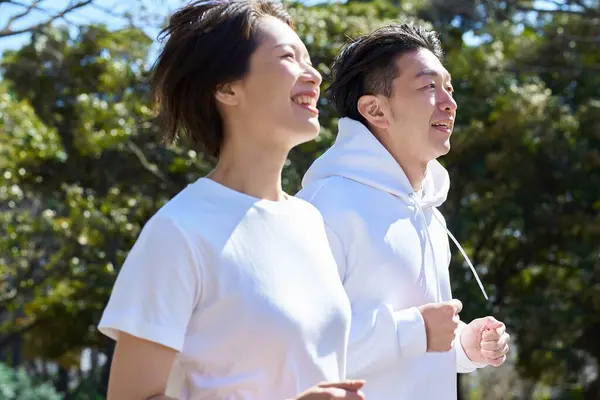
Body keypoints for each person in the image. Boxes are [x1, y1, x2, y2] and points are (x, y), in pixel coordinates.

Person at [97, 1, 366, 399]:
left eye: (309, 60)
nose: (313, 76)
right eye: (288, 58)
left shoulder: (310, 222)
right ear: (226, 88)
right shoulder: (177, 232)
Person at [296, 24, 510, 400]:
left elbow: (418, 345)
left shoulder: (430, 213)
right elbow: (300, 344)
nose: (449, 102)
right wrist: (416, 331)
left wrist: (464, 346)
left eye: (449, 88)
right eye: (429, 87)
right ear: (375, 109)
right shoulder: (325, 205)